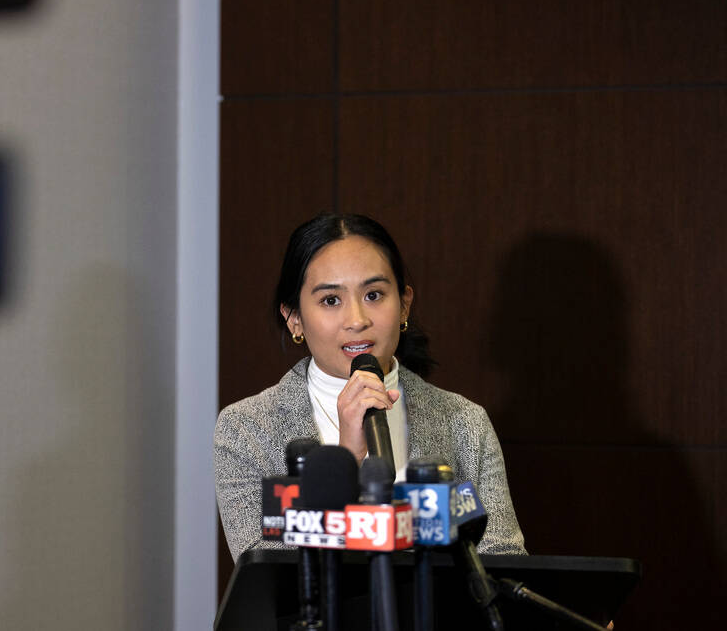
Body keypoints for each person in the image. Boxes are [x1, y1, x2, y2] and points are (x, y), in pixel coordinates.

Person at [214, 213, 526, 562]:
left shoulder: (465, 421)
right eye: (331, 300)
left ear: (404, 304)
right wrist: (349, 459)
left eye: (374, 294)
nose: (358, 320)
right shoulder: (246, 429)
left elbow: (503, 564)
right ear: (294, 318)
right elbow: (269, 580)